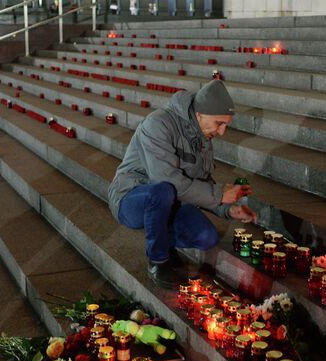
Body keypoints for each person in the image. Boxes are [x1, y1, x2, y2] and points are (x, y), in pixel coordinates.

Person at [108, 80, 256, 288]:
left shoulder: (202, 136)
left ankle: (161, 232)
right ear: (200, 114)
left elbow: (201, 183)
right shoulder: (158, 124)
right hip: (132, 196)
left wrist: (228, 209)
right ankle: (158, 261)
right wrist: (220, 193)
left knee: (207, 237)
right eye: (219, 123)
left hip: (172, 201)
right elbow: (166, 180)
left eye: (226, 125)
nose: (222, 132)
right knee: (162, 191)